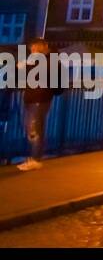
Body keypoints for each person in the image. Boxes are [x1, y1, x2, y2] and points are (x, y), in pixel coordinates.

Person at [16, 39, 56, 172]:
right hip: (34, 98)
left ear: (43, 47)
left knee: (34, 130)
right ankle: (34, 158)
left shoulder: (49, 61)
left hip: (39, 99)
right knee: (33, 128)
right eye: (31, 49)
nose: (32, 51)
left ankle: (36, 159)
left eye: (34, 48)